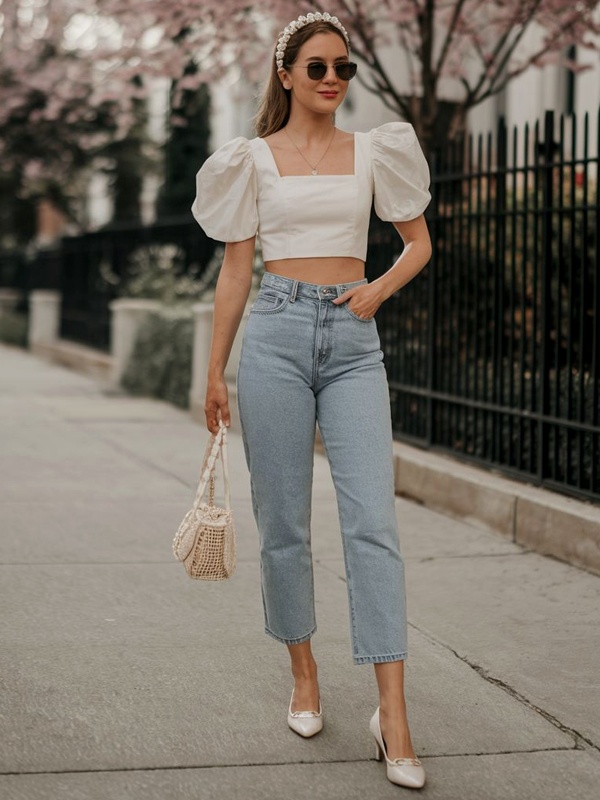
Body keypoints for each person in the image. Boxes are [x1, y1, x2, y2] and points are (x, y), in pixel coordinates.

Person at [192, 11, 432, 790]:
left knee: (374, 525)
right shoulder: (251, 160)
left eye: (344, 68)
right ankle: (303, 672)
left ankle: (392, 716)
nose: (333, 79)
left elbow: (419, 242)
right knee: (284, 522)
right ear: (287, 75)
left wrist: (378, 290)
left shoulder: (375, 152)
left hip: (355, 344)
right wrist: (215, 371)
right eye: (318, 67)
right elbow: (236, 273)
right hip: (275, 340)